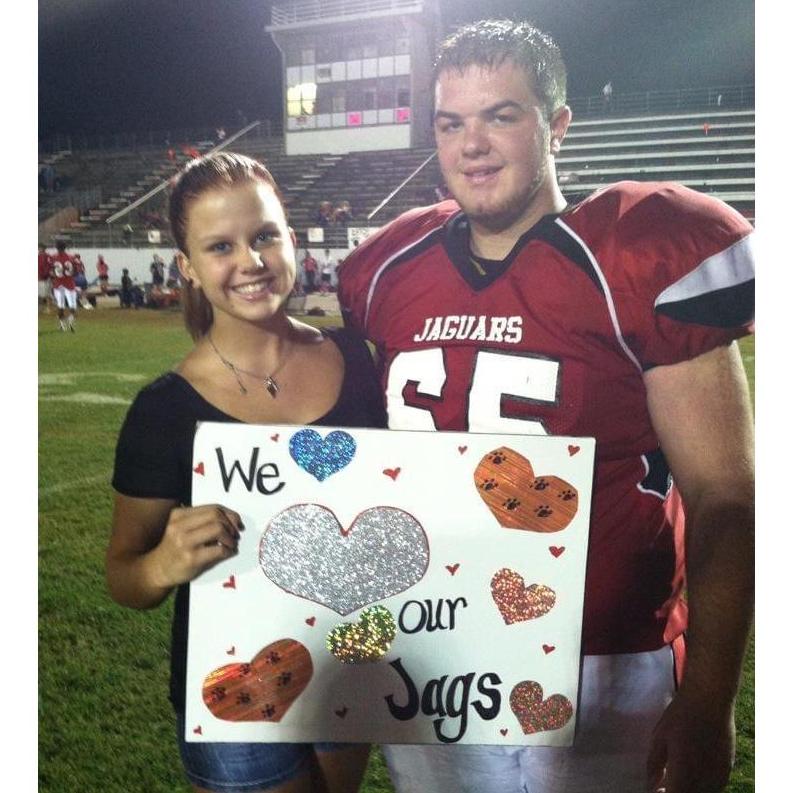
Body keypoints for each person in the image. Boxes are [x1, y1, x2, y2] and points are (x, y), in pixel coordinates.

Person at [338, 19, 754, 793]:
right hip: (435, 646)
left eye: (501, 115)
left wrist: (707, 701)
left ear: (556, 125)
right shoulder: (389, 265)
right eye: (450, 123)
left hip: (604, 662)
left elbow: (727, 496)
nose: (472, 144)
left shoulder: (637, 250)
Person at [106, 152, 385, 793]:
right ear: (190, 268)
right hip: (234, 685)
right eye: (220, 246)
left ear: (291, 238)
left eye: (264, 236)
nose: (251, 262)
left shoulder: (356, 358)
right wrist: (161, 566)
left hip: (348, 656)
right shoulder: (164, 408)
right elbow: (124, 575)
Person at [49, 239, 80, 332]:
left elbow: (51, 271)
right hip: (69, 283)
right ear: (65, 247)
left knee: (60, 306)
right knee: (73, 306)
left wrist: (54, 275)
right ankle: (70, 321)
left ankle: (62, 326)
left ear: (56, 247)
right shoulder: (71, 257)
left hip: (58, 284)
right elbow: (76, 272)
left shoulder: (53, 257)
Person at [38, 243, 53, 311]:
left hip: (46, 277)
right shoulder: (38, 256)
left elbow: (50, 266)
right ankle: (39, 307)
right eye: (39, 248)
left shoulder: (48, 256)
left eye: (40, 248)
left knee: (47, 293)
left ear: (44, 248)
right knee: (39, 293)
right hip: (39, 277)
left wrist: (47, 274)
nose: (39, 249)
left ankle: (48, 307)